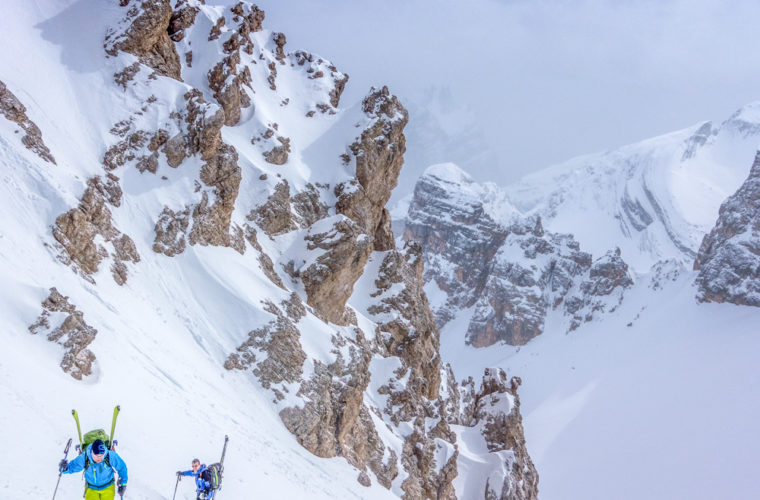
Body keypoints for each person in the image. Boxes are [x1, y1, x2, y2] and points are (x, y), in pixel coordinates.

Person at [59, 439, 128, 499]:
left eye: (101, 456)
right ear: (92, 452)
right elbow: (73, 466)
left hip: (108, 486)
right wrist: (65, 468)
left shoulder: (110, 456)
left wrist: (123, 483)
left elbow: (122, 467)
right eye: (97, 456)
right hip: (91, 487)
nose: (99, 458)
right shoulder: (84, 457)